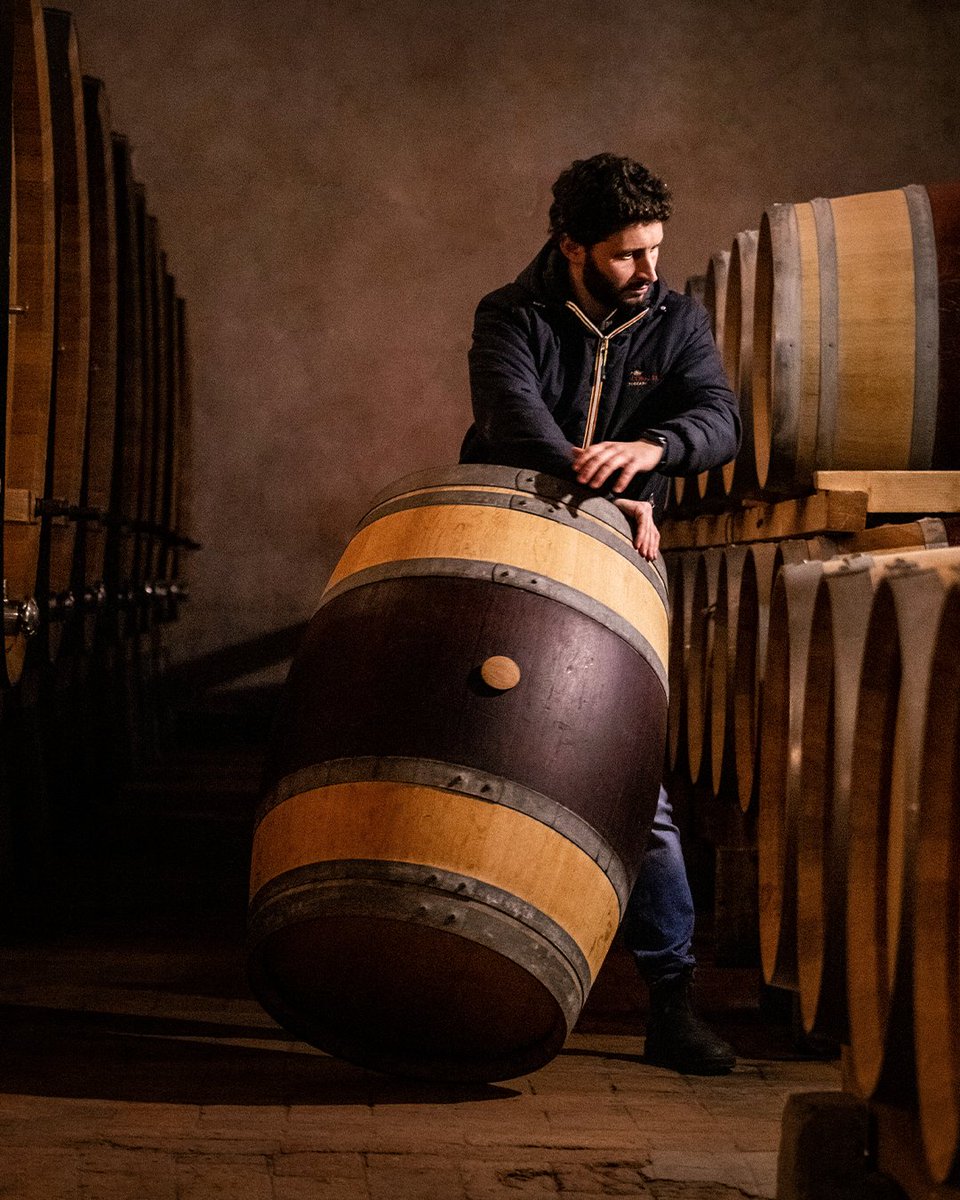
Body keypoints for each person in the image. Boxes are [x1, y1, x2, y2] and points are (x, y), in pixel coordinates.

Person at [460, 152, 741, 1075]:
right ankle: (469, 969)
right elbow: (511, 420)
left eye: (656, 250)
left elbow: (719, 420)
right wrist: (600, 486)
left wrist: (652, 447)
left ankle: (672, 1001)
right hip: (507, 551)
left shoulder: (677, 316)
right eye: (627, 256)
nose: (650, 271)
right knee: (474, 755)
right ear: (571, 246)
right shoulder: (512, 313)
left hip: (618, 569)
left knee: (634, 788)